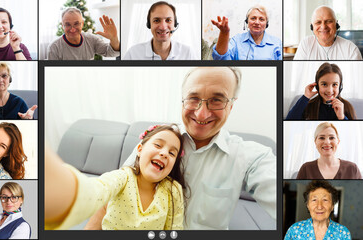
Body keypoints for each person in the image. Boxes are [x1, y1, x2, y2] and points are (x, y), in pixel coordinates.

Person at [87, 67, 276, 230]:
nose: (202, 113)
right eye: (193, 98)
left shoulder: (251, 157)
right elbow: (111, 196)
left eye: (217, 100)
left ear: (231, 105)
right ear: (182, 100)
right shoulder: (157, 141)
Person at [45, 124, 186, 230]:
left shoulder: (173, 190)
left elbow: (174, 230)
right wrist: (65, 192)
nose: (164, 153)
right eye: (158, 145)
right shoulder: (122, 177)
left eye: (172, 153)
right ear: (139, 149)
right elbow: (96, 190)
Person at [123, 1, 196, 60]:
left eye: (168, 20)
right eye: (156, 20)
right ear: (149, 24)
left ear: (175, 24)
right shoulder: (133, 53)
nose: (163, 27)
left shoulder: (188, 53)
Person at [286, 62, 356, 120]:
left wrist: (342, 117)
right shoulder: (308, 106)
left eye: (334, 84)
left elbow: (353, 132)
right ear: (317, 86)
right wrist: (305, 97)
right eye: (324, 84)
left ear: (340, 87)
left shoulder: (347, 106)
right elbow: (288, 122)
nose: (329, 90)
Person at [284, 180, 351, 240]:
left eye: (325, 200)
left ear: (332, 206)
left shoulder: (343, 233)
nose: (319, 206)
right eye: (314, 200)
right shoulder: (294, 230)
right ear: (308, 205)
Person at [211, 5, 282, 60]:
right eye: (253, 18)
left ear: (266, 23)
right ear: (247, 21)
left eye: (261, 19)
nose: (257, 22)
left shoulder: (277, 43)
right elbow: (220, 59)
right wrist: (224, 33)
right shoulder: (236, 40)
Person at [47, 7, 120, 60]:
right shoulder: (54, 47)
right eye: (68, 24)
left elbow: (111, 53)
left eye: (76, 24)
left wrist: (114, 39)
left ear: (82, 24)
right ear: (62, 26)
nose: (72, 29)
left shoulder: (92, 39)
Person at [296, 122, 362, 179]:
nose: (327, 142)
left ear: (338, 141)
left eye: (331, 138)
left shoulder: (352, 169)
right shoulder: (306, 169)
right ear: (315, 142)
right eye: (321, 138)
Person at [294, 6, 362, 60]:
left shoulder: (351, 49)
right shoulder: (306, 44)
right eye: (318, 22)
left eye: (328, 21)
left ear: (336, 24)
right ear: (312, 26)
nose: (323, 27)